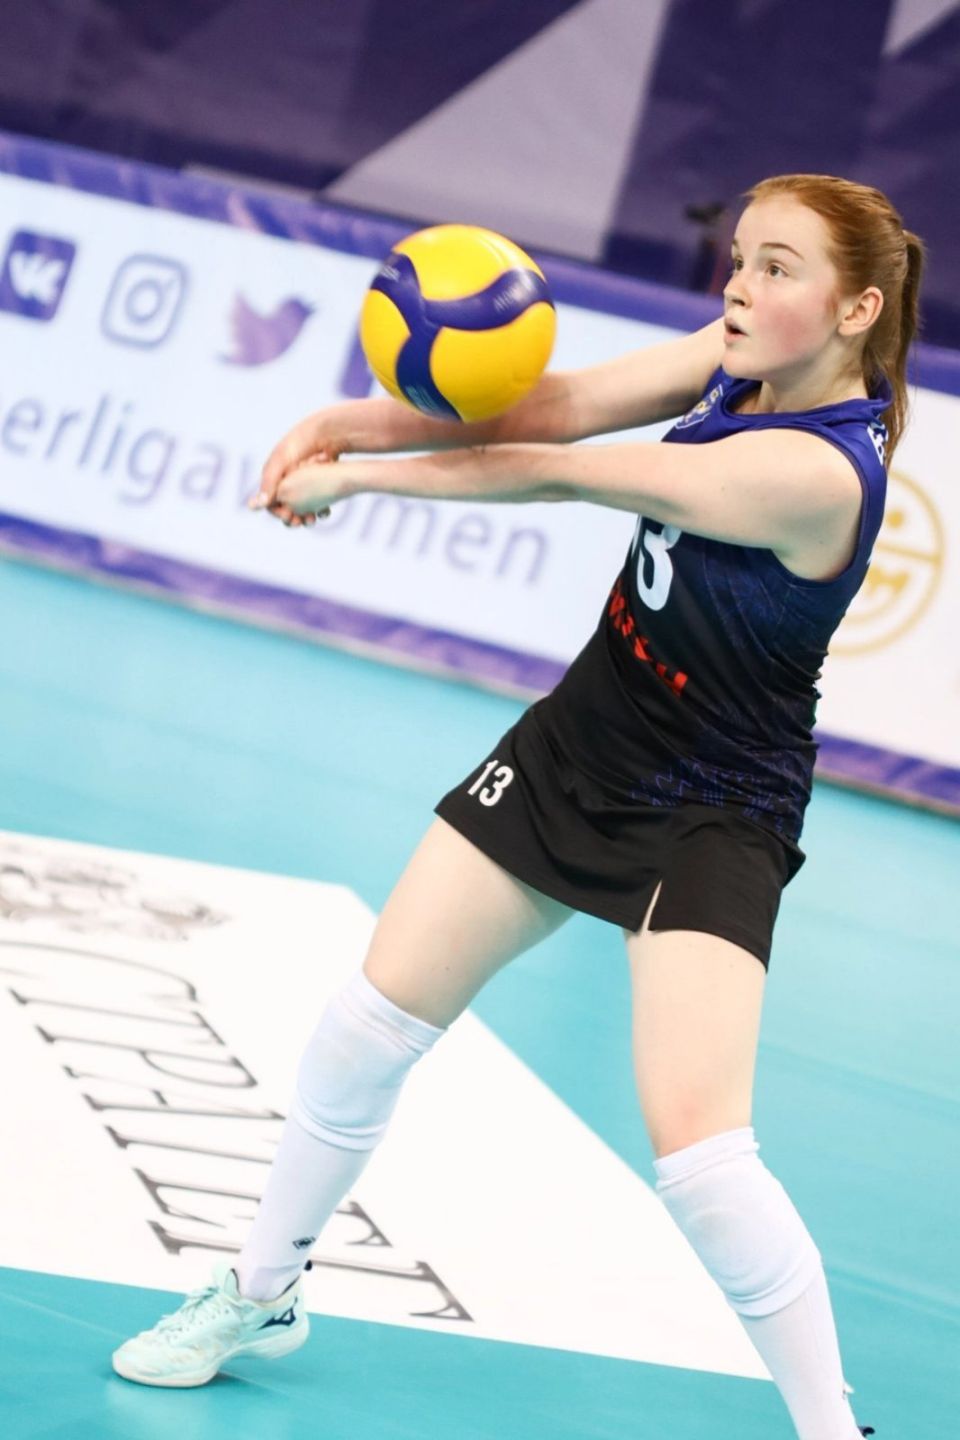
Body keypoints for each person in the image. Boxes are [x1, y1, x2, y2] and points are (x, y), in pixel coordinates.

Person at [112, 173, 923, 1438]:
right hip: (578, 745)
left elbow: (562, 471)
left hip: (714, 806)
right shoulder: (737, 362)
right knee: (369, 1023)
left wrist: (361, 481)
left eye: (777, 269)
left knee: (704, 1159)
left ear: (855, 309)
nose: (739, 287)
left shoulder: (820, 471)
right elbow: (562, 402)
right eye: (739, 257)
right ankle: (262, 1292)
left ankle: (834, 1428)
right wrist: (350, 420)